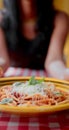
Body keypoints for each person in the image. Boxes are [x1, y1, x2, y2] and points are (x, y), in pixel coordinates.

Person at [0, 0, 69, 80]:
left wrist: (64, 74)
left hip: (46, 81)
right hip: (11, 81)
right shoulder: (1, 19)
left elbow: (54, 61)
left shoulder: (59, 18)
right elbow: (2, 59)